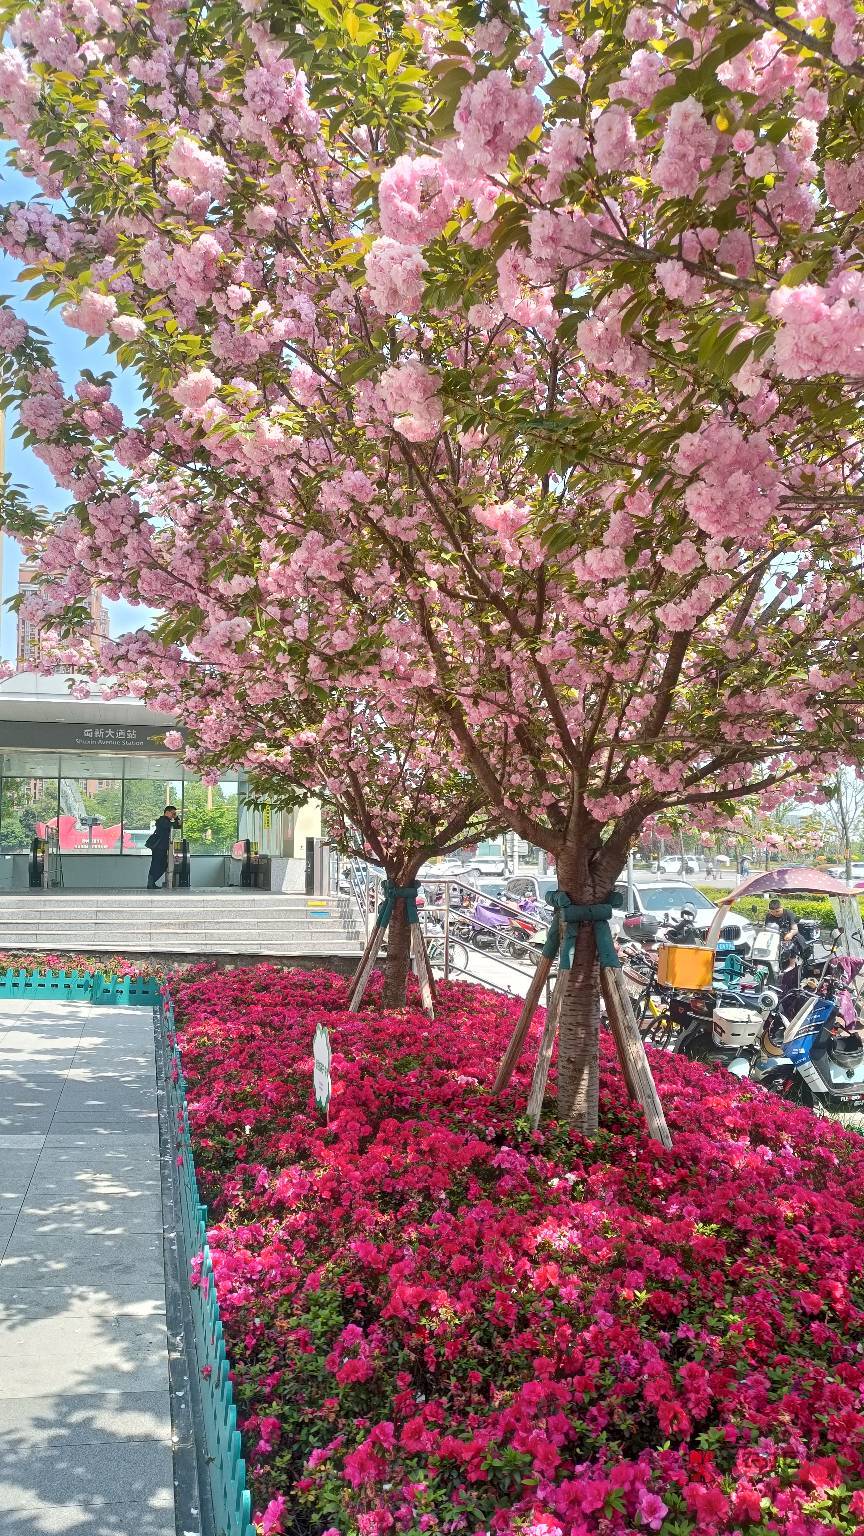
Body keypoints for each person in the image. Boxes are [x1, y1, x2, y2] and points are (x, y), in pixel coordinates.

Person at [146, 804, 181, 889]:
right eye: (173, 813)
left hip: (161, 847)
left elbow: (177, 827)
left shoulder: (165, 821)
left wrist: (176, 818)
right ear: (167, 812)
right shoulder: (162, 820)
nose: (174, 815)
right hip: (159, 847)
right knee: (158, 864)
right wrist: (176, 819)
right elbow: (173, 826)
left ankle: (152, 882)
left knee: (161, 864)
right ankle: (151, 882)